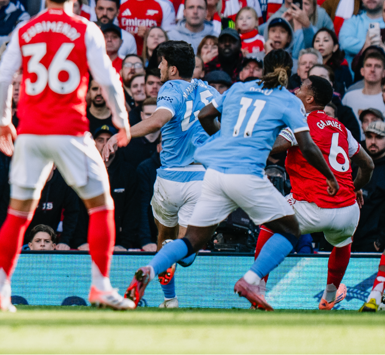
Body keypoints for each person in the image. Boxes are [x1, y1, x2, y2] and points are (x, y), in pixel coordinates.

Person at [124, 50, 339, 311]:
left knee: (191, 241)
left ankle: (149, 268)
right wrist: (329, 175)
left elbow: (205, 116)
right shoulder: (287, 100)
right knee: (290, 230)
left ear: (263, 67)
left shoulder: (238, 89)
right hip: (246, 175)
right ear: (289, 70)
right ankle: (250, 280)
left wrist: (223, 138)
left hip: (214, 174)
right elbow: (306, 146)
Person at [0, 0, 133, 311]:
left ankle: (0, 293)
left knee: (18, 213)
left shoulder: (26, 29)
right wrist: (121, 118)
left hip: (31, 132)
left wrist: (3, 121)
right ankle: (100, 287)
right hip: (69, 131)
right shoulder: (85, 29)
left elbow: (1, 78)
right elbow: (107, 78)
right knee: (101, 206)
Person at [103, 41, 219, 308]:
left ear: (173, 69)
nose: (159, 67)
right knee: (186, 250)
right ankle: (171, 285)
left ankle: (170, 299)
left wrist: (123, 134)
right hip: (201, 179)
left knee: (164, 239)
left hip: (169, 179)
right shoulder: (209, 91)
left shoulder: (170, 88)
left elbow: (158, 120)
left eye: (162, 62)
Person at [259, 76, 372, 310]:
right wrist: (356, 186)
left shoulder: (300, 121)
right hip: (347, 210)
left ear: (309, 98)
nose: (296, 91)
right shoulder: (340, 127)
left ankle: (257, 292)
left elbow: (277, 147)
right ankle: (330, 298)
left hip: (312, 206)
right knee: (342, 243)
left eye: (300, 89)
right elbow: (368, 164)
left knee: (268, 222)